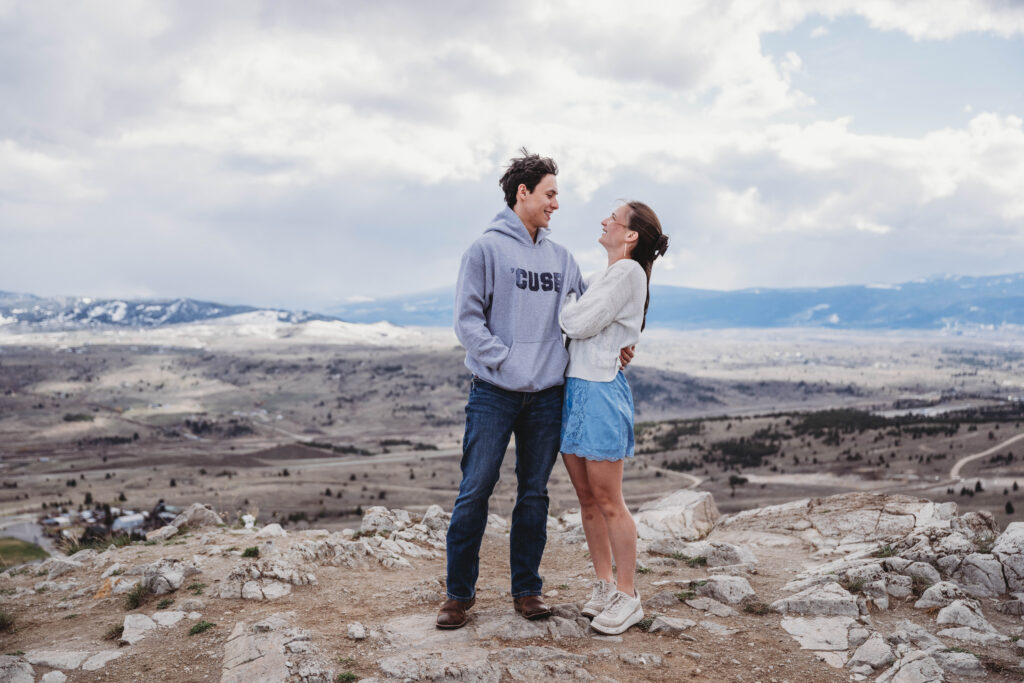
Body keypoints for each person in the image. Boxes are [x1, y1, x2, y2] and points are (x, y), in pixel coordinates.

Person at [438, 149, 632, 630]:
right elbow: (467, 322)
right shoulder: (484, 250)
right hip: (494, 392)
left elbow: (592, 312)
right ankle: (458, 595)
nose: (556, 205)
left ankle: (527, 590)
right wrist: (508, 360)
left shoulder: (561, 258)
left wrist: (619, 347)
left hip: (547, 396)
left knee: (534, 495)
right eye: (550, 194)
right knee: (474, 491)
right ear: (522, 193)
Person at [558, 201, 669, 635]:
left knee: (608, 501)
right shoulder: (604, 275)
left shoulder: (627, 273)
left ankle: (628, 594)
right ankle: (603, 584)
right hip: (577, 389)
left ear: (630, 235)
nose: (604, 220)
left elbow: (577, 321)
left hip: (600, 391)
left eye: (613, 218)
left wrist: (568, 305)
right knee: (587, 500)